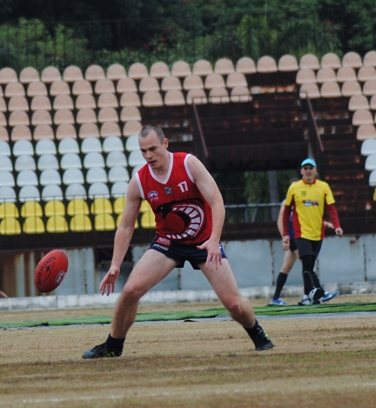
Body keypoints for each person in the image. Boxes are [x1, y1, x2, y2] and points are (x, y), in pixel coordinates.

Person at [83, 124, 274, 358]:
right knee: (130, 290)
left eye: (153, 149)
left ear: (165, 144)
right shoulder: (139, 181)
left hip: (204, 242)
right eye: (143, 151)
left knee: (234, 304)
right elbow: (125, 226)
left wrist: (214, 240)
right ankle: (113, 346)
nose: (148, 156)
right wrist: (115, 264)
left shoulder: (188, 164)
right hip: (169, 243)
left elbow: (217, 202)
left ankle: (257, 333)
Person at [282, 158, 343, 305]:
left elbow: (331, 208)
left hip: (318, 233)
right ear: (301, 171)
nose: (308, 171)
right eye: (305, 168)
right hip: (301, 233)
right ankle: (312, 291)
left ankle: (306, 296)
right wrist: (285, 234)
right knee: (307, 261)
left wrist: (337, 226)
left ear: (316, 171)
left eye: (311, 168)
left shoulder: (323, 187)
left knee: (309, 265)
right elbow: (286, 211)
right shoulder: (295, 188)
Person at [269, 200, 299, 306]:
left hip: (299, 237)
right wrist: (285, 238)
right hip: (294, 238)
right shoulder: (287, 202)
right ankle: (318, 293)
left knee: (286, 268)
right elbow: (280, 221)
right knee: (307, 264)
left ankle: (275, 298)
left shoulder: (303, 200)